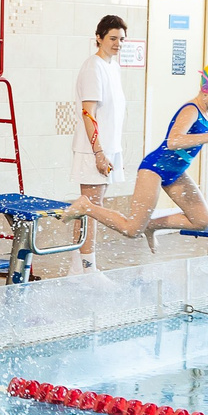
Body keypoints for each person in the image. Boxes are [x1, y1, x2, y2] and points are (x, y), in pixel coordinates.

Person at [58, 62, 208, 244]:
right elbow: (173, 141)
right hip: (154, 169)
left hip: (176, 172)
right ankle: (87, 206)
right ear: (206, 89)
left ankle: (152, 225)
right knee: (131, 230)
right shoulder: (191, 109)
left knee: (202, 220)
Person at [72, 15, 128, 269]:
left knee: (93, 206)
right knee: (91, 207)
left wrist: (112, 151)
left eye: (121, 39)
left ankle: (79, 267)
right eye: (112, 38)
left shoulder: (113, 67)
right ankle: (86, 267)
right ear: (99, 37)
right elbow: (88, 113)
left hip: (108, 149)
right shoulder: (93, 67)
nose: (118, 44)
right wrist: (99, 152)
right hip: (93, 150)